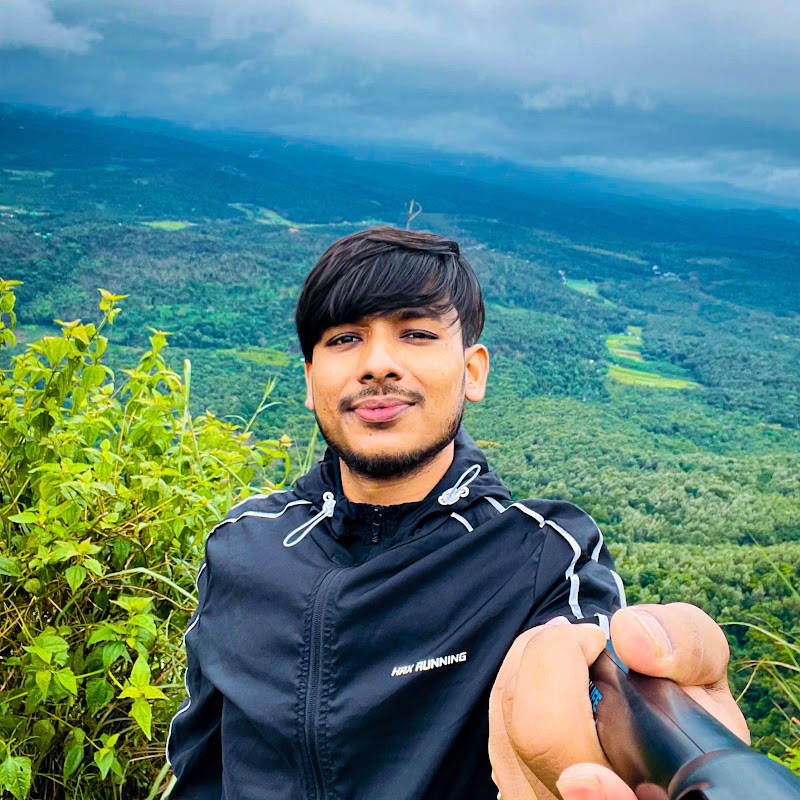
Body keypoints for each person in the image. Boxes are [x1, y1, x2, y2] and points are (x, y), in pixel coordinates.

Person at [166, 227, 748, 800]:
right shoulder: (242, 547)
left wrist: (684, 754)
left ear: (473, 371)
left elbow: (587, 676)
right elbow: (201, 764)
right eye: (344, 338)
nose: (378, 364)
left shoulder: (542, 558)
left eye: (416, 333)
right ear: (311, 379)